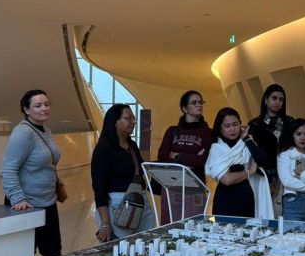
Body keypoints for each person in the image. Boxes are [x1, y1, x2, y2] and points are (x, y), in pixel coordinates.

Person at [0, 89, 62, 256]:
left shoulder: (45, 130)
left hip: (48, 202)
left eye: (47, 104)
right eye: (38, 105)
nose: (44, 108)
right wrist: (18, 199)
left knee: (53, 253)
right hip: (27, 205)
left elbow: (45, 161)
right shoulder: (22, 133)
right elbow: (8, 169)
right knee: (23, 255)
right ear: (26, 110)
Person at [92, 104, 157, 242]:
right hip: (117, 205)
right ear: (114, 122)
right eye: (128, 118)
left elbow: (141, 170)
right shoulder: (104, 149)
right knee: (121, 248)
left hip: (139, 200)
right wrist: (105, 223)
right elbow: (99, 188)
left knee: (146, 242)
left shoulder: (132, 145)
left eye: (133, 118)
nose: (133, 122)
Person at [205, 107, 273, 219]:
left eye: (235, 124)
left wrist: (247, 139)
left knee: (248, 228)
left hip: (247, 197)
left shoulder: (246, 143)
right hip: (225, 199)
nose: (232, 129)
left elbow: (262, 160)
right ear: (220, 128)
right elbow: (227, 180)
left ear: (240, 124)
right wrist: (250, 171)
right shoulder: (217, 148)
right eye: (227, 126)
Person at [156, 90, 211, 223]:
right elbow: (162, 157)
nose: (199, 105)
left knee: (194, 226)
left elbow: (202, 160)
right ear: (185, 108)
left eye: (200, 102)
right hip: (172, 186)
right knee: (169, 226)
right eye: (194, 102)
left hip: (195, 187)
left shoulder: (208, 133)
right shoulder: (172, 131)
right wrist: (191, 159)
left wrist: (177, 155)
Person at [248, 84, 293, 212]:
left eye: (281, 99)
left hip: (287, 175)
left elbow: (295, 148)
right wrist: (266, 177)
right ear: (266, 100)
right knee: (267, 213)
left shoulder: (290, 122)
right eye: (274, 98)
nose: (278, 102)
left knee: (286, 213)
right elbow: (252, 153)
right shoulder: (255, 124)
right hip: (264, 175)